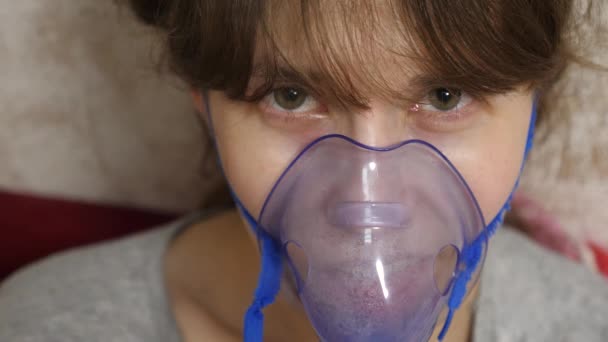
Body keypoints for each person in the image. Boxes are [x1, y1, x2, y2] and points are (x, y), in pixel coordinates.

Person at [1, 1, 607, 341]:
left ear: (532, 106)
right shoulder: (47, 325)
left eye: (446, 96)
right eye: (289, 96)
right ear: (204, 105)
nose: (366, 195)